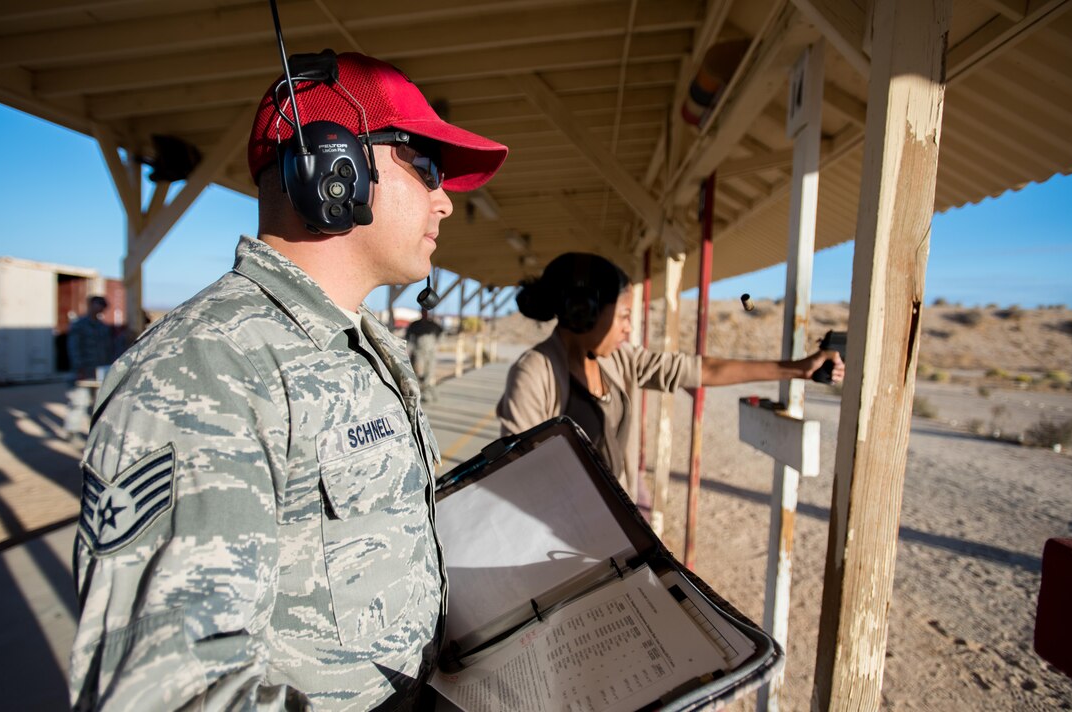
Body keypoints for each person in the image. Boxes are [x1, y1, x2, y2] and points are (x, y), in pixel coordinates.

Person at [69, 51, 507, 710]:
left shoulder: (368, 350)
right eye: (425, 165)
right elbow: (169, 694)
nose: (444, 201)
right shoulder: (205, 372)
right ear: (335, 168)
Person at [496, 253, 844, 506]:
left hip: (617, 524)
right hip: (564, 533)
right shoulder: (533, 374)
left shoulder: (620, 359)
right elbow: (517, 476)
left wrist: (799, 369)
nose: (629, 328)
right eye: (622, 317)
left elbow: (702, 370)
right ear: (581, 313)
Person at [67, 295, 114, 381]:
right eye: (99, 304)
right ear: (91, 305)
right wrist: (79, 367)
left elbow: (108, 348)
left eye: (103, 305)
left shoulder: (103, 327)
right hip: (85, 368)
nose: (101, 308)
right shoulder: (79, 325)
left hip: (102, 368)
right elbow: (74, 347)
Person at [406, 308, 444, 402]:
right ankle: (418, 393)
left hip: (430, 352)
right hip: (419, 352)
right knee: (418, 372)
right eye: (423, 312)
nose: (425, 314)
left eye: (426, 312)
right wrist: (410, 349)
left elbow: (441, 334)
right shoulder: (415, 325)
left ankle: (427, 393)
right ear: (421, 313)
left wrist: (437, 345)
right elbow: (408, 337)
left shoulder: (433, 325)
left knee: (429, 372)